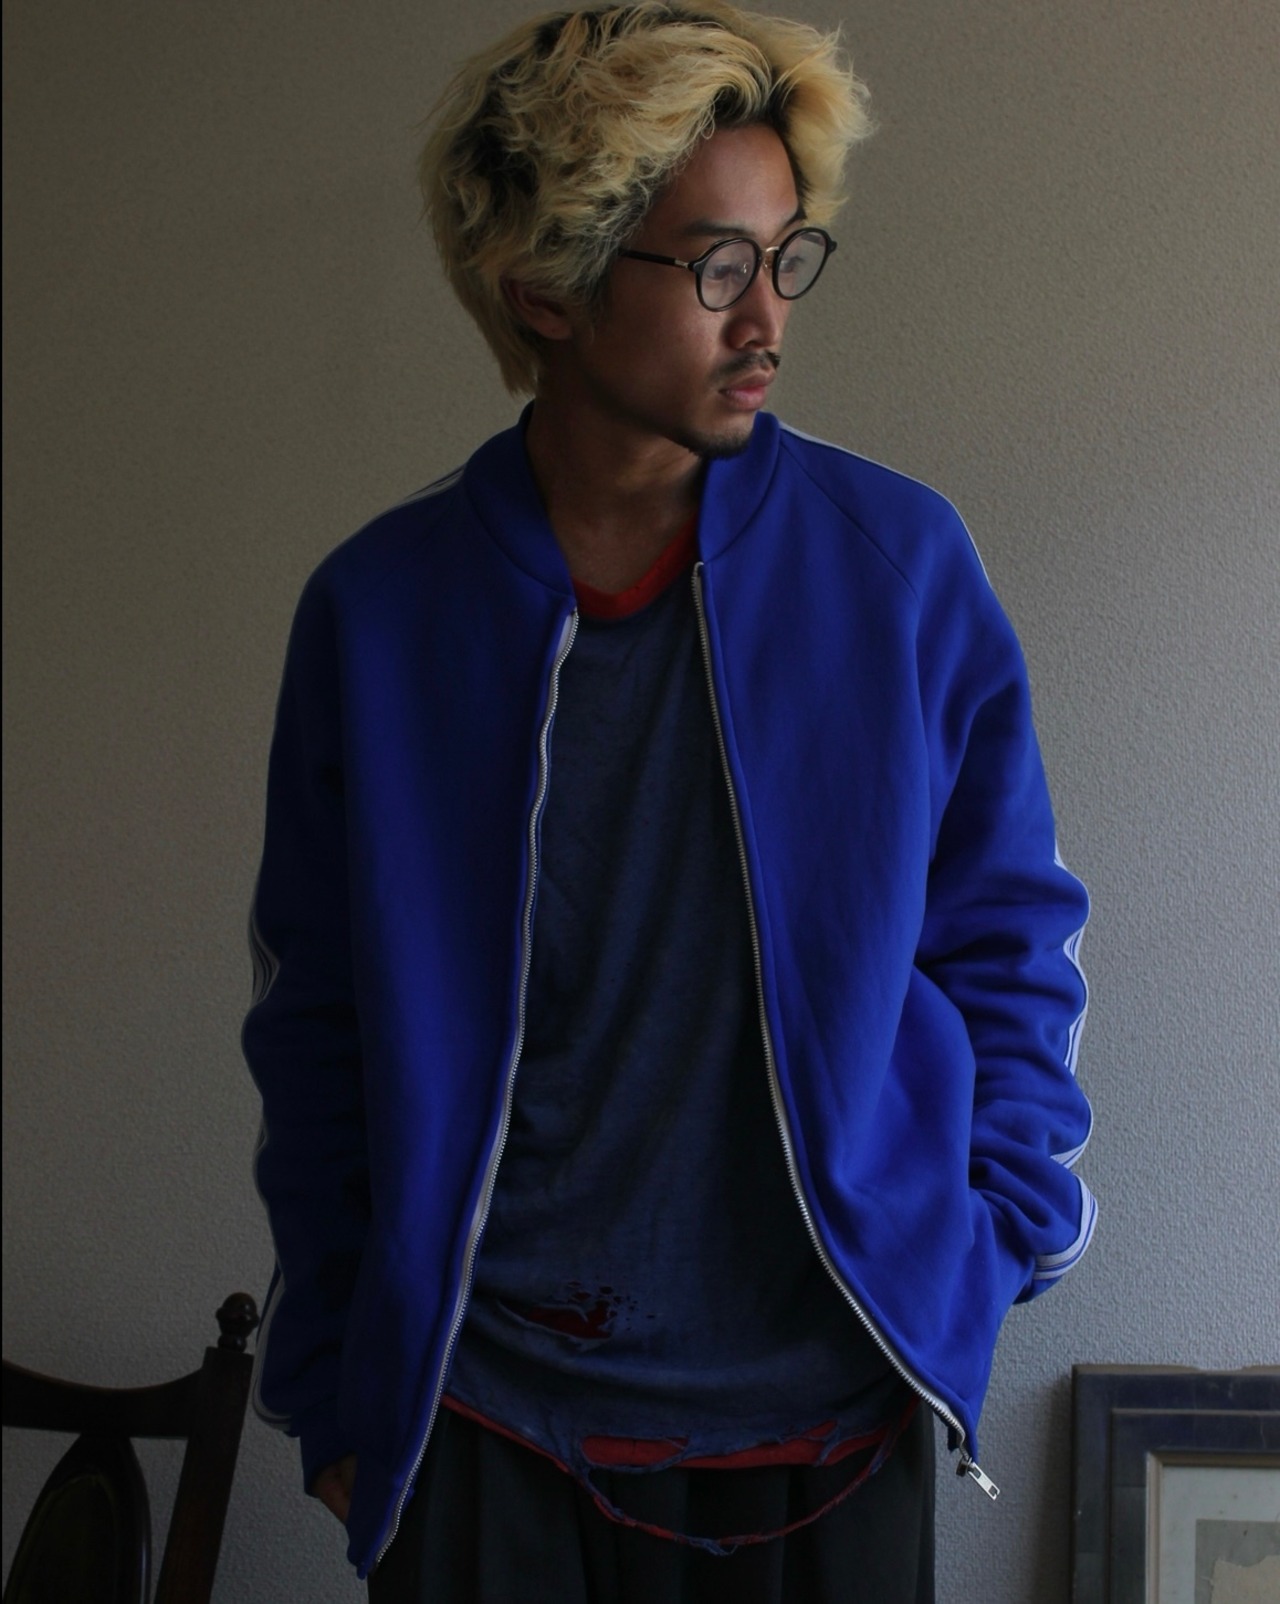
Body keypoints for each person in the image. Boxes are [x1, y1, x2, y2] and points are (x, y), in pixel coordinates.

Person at [243, 4, 1096, 1599]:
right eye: (715, 268)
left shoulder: (898, 569)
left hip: (828, 1414)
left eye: (787, 258)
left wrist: (993, 1242)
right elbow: (318, 1024)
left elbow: (1009, 937)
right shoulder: (381, 615)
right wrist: (334, 1380)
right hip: (487, 1420)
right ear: (546, 290)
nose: (767, 318)